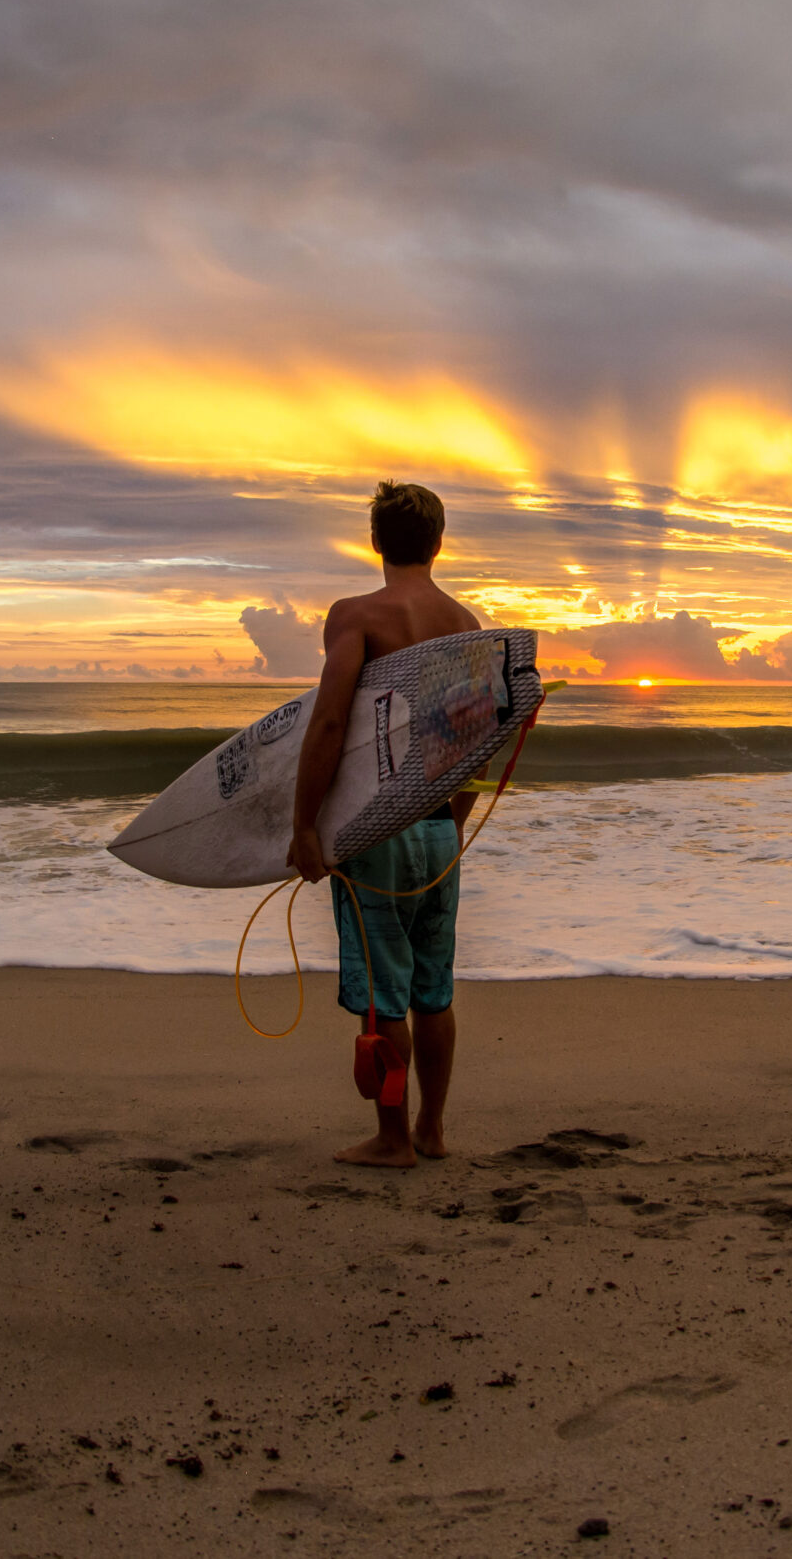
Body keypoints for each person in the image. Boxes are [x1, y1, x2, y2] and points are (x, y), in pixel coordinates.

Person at [286, 481, 481, 1168]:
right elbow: (472, 742)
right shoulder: (464, 623)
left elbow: (332, 721)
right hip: (436, 831)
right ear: (437, 543)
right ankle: (431, 1128)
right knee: (434, 988)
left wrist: (305, 824)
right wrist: (451, 821)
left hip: (375, 835)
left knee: (382, 994)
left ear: (374, 541)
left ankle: (393, 1138)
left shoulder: (356, 615)